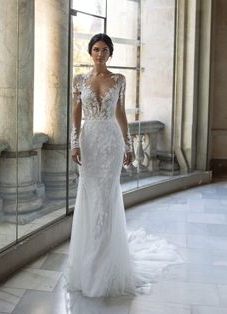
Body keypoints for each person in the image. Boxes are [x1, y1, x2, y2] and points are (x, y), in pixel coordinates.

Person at [64, 33, 181, 298]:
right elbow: (75, 113)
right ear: (90, 51)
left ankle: (103, 266)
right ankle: (87, 262)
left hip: (111, 142)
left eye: (105, 50)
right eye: (96, 49)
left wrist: (127, 145)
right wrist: (74, 142)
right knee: (90, 198)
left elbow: (120, 112)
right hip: (89, 141)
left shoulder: (119, 79)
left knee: (106, 199)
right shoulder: (79, 80)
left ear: (111, 53)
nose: (100, 53)